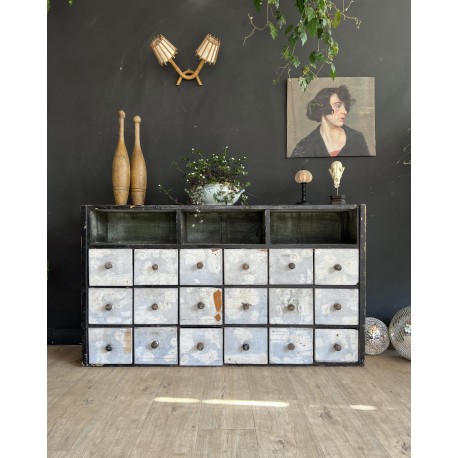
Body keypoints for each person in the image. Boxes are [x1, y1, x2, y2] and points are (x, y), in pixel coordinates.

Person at [291, 85, 370, 157]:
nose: (345, 111)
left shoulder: (357, 139)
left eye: (345, 106)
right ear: (323, 108)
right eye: (337, 106)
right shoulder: (305, 146)